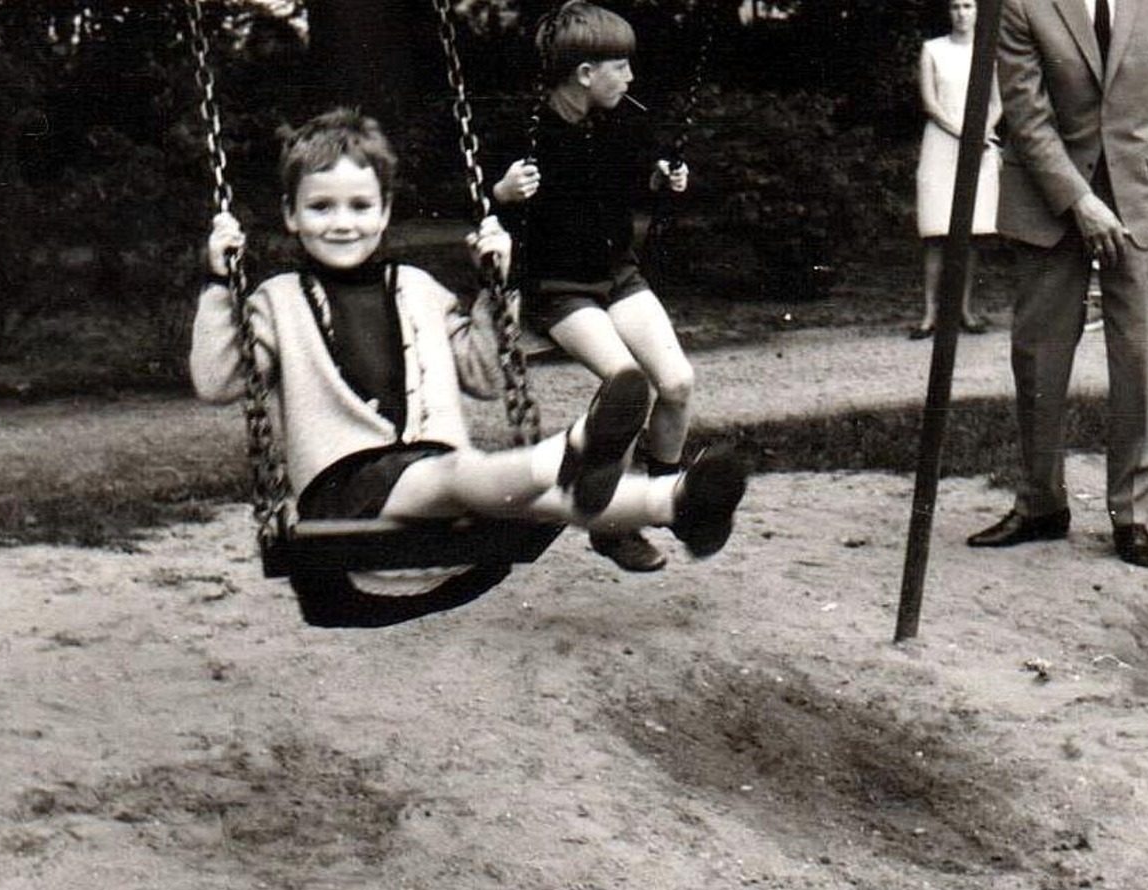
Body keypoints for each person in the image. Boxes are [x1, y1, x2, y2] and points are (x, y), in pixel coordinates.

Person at [188, 109, 746, 603]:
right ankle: (573, 449)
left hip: (437, 469)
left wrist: (496, 287)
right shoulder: (276, 300)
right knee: (463, 476)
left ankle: (674, 502)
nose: (342, 222)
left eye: (360, 205)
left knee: (537, 499)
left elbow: (482, 373)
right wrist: (220, 281)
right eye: (321, 207)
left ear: (384, 213)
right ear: (291, 214)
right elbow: (217, 381)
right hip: (346, 489)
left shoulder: (419, 287)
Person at [968, 0, 1148, 567]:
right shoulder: (1023, 4)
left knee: (1135, 359)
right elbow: (1026, 115)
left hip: (1140, 196)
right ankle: (1042, 503)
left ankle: (1131, 516)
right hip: (1051, 202)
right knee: (1039, 359)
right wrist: (1079, 202)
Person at [490, 0, 696, 574]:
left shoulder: (622, 121)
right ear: (585, 73)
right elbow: (482, 218)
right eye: (620, 66)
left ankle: (664, 492)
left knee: (677, 382)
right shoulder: (526, 131)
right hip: (558, 288)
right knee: (625, 387)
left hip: (619, 277)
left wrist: (665, 179)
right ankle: (612, 524)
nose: (630, 77)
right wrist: (501, 195)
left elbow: (640, 180)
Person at [912, 0, 1002, 339]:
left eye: (968, 6)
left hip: (978, 147)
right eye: (954, 7)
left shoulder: (989, 51)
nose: (961, 13)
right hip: (942, 143)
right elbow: (930, 103)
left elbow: (998, 101)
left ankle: (964, 309)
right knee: (937, 234)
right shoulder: (932, 49)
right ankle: (930, 314)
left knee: (970, 235)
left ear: (978, 11)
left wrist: (980, 132)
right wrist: (964, 132)